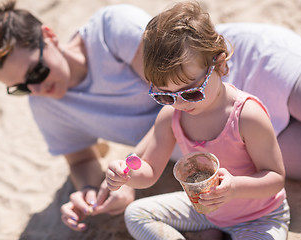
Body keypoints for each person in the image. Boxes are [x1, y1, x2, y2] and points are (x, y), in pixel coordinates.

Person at [0, 0, 301, 233]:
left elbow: (176, 83)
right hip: (214, 135)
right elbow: (82, 159)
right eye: (19, 87)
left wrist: (132, 163)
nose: (35, 89)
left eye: (35, 72)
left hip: (246, 72)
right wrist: (97, 191)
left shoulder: (110, 31)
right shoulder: (47, 105)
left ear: (49, 36)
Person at [106, 2, 290, 239]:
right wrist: (126, 175)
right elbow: (150, 171)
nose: (180, 103)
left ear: (220, 64)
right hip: (204, 210)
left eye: (191, 92)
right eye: (165, 95)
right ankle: (211, 230)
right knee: (136, 214)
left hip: (259, 216)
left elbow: (275, 179)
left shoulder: (246, 115)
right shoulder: (171, 116)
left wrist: (234, 188)